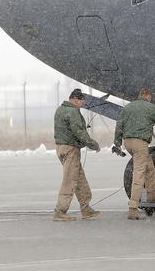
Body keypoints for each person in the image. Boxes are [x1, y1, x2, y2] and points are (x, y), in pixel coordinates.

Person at [114, 87, 155, 220]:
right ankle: (133, 208)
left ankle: (151, 195)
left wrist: (117, 143)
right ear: (148, 96)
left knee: (149, 167)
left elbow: (119, 125)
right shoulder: (150, 107)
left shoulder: (128, 108)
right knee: (139, 173)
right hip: (140, 143)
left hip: (128, 142)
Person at [52, 88, 101, 221]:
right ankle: (60, 211)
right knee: (70, 180)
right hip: (70, 149)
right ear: (76, 100)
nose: (83, 104)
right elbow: (78, 131)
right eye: (82, 102)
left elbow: (68, 128)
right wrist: (92, 144)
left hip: (61, 147)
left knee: (79, 178)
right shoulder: (73, 111)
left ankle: (86, 209)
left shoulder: (60, 109)